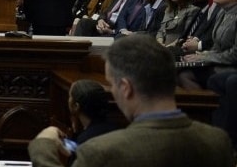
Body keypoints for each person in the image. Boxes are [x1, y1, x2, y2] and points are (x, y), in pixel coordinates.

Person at [28, 35, 233, 167]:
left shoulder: (102, 152)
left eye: (112, 84)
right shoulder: (217, 141)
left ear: (125, 88)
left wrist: (42, 146)